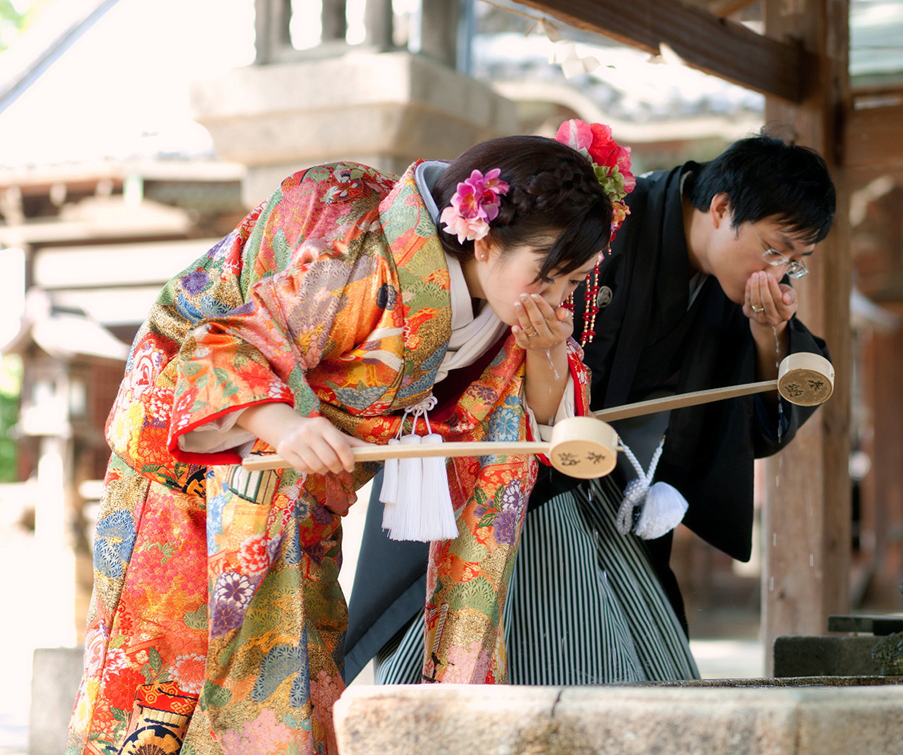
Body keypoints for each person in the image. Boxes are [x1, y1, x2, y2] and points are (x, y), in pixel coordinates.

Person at [67, 123, 631, 754]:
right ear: (487, 241)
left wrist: (547, 348)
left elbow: (530, 423)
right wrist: (280, 422)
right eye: (546, 275)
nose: (555, 299)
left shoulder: (506, 312)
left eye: (572, 282)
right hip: (192, 462)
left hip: (298, 486)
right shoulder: (361, 254)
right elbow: (222, 345)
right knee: (166, 674)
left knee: (299, 670)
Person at [352, 129, 835, 686]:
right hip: (518, 467)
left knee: (656, 667)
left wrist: (767, 333)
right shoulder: (604, 223)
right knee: (565, 657)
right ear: (721, 208)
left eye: (794, 263)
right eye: (774, 250)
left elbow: (770, 409)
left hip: (617, 490)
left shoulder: (742, 292)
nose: (775, 274)